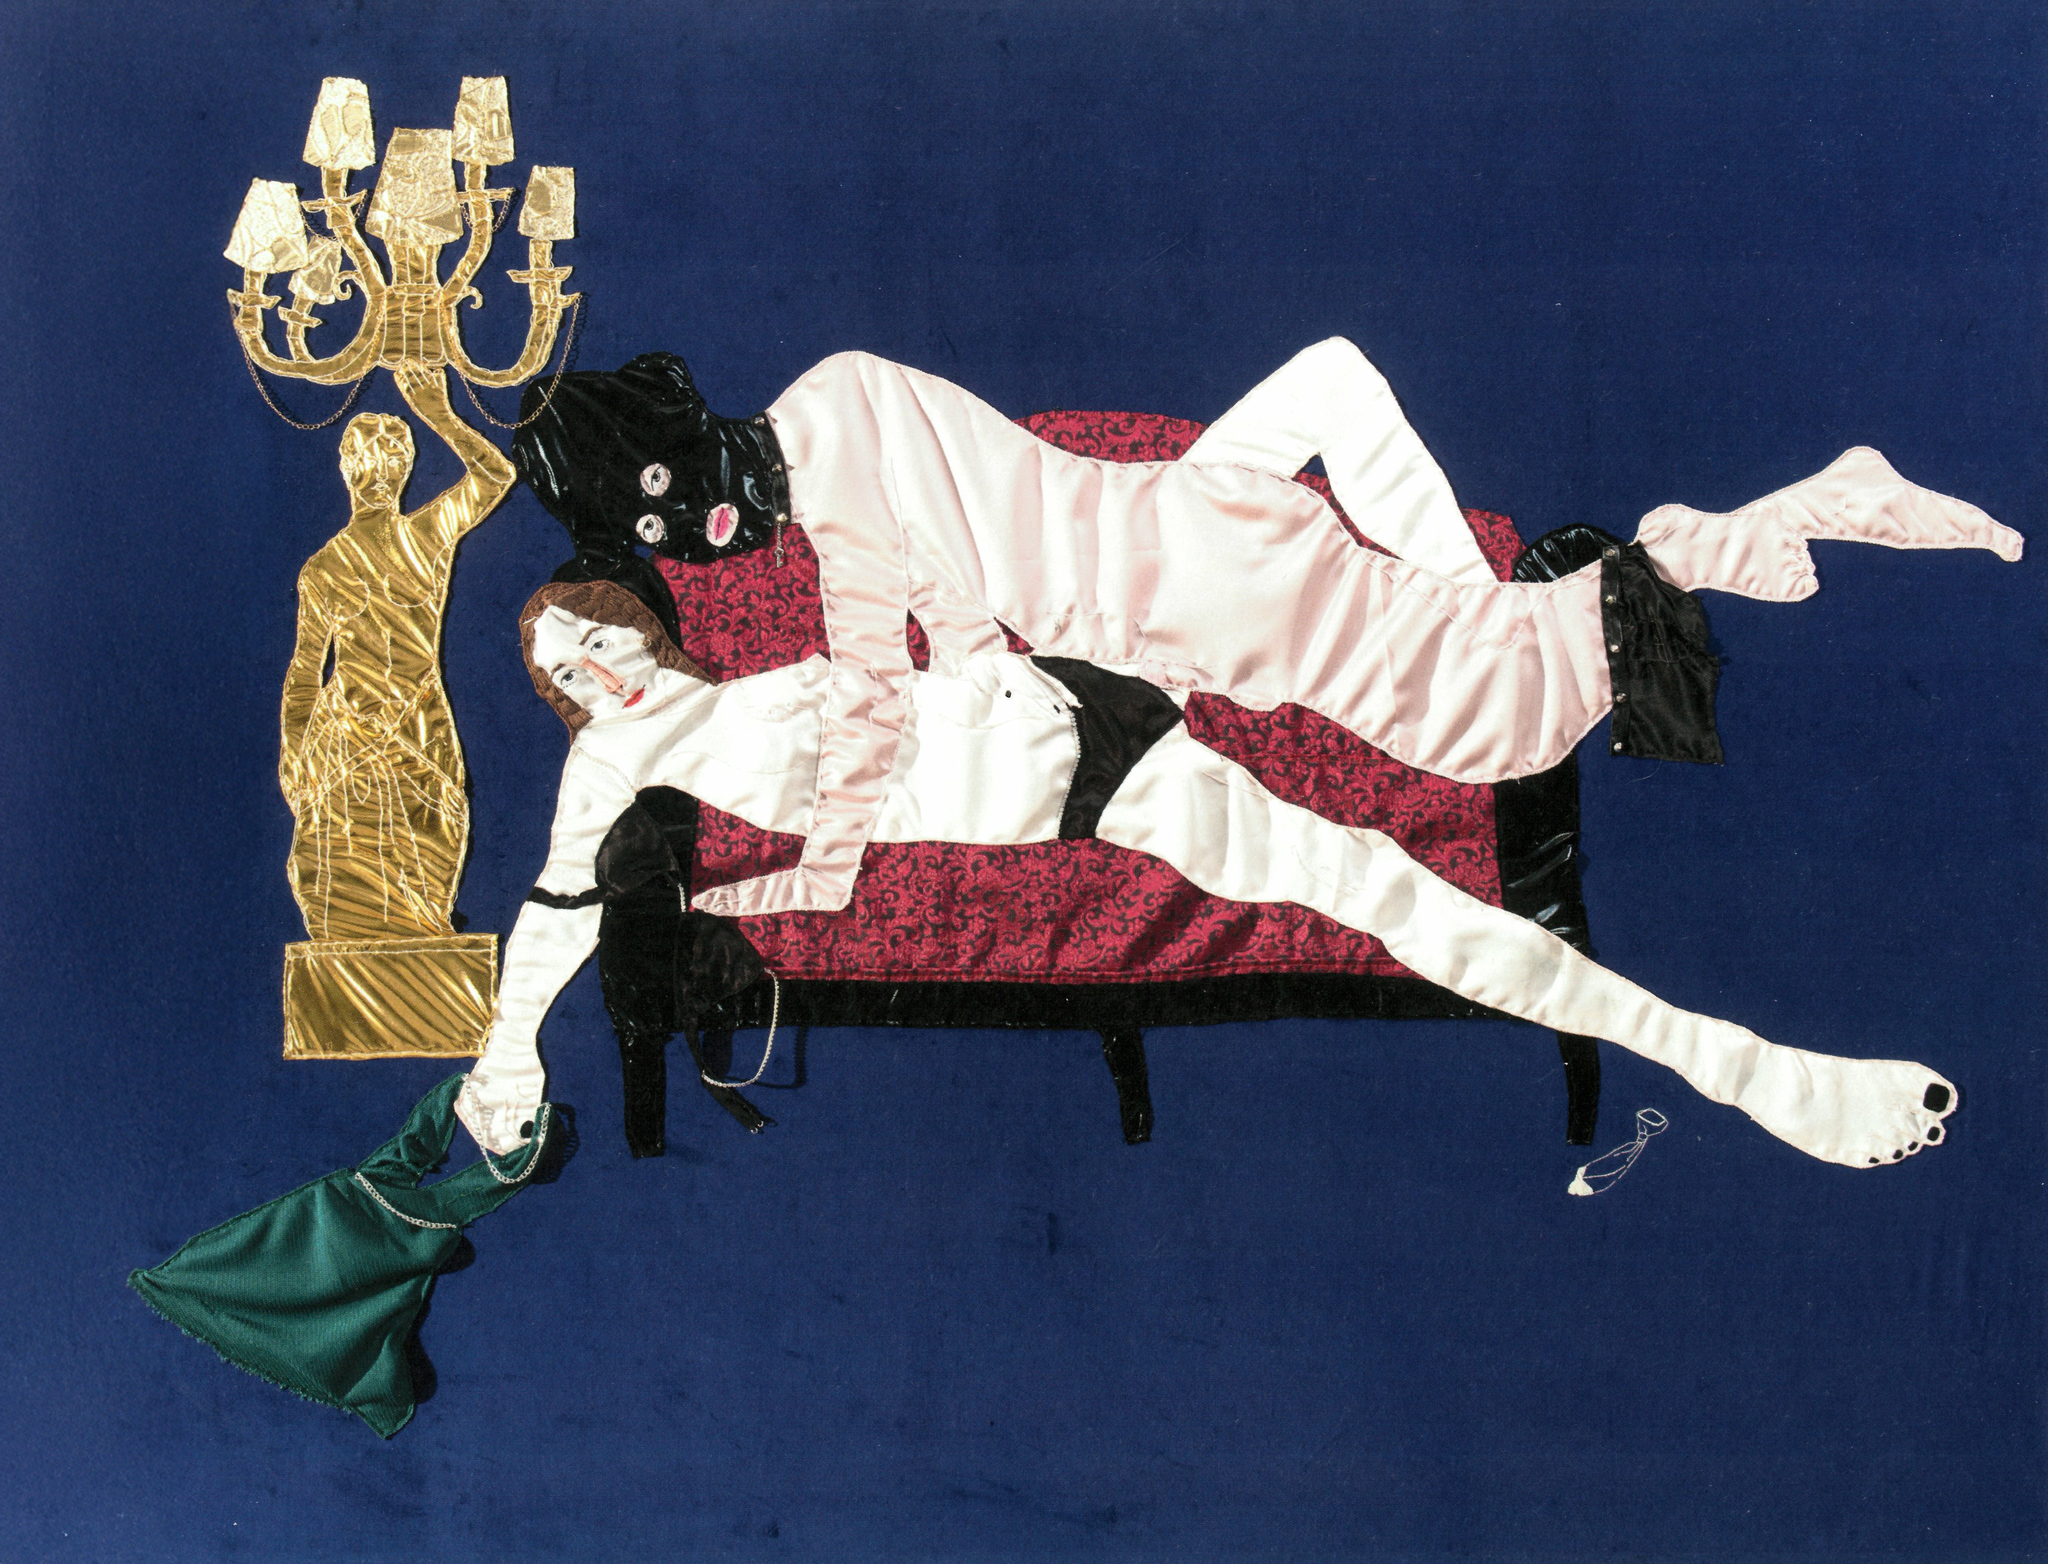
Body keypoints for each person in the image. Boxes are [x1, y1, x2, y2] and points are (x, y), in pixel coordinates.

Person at [455, 579, 1960, 1173]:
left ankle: (1753, 1070)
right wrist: (506, 1054)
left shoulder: (757, 672)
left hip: (1091, 707)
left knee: (1386, 869)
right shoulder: (616, 767)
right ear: (569, 707)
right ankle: (1748, 1071)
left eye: (595, 635)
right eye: (563, 670)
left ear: (640, 629)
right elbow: (554, 909)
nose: (593, 666)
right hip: (1090, 793)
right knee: (1384, 889)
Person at [510, 341, 2023, 926]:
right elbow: (965, 615)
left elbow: (878, 687)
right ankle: (1575, 576)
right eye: (662, 539)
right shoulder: (838, 389)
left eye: (678, 504)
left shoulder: (831, 491)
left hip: (1200, 589)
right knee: (1337, 387)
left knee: (1497, 729)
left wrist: (812, 875)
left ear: (686, 443)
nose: (698, 539)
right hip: (1184, 518)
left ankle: (1706, 539)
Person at [281, 362, 517, 940]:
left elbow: (497, 476)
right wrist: (294, 749)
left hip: (410, 724)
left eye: (389, 462)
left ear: (404, 470)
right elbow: (306, 669)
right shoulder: (338, 564)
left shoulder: (418, 539)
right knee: (355, 874)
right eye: (370, 462)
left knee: (432, 848)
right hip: (360, 730)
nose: (377, 474)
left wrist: (440, 414)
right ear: (349, 469)